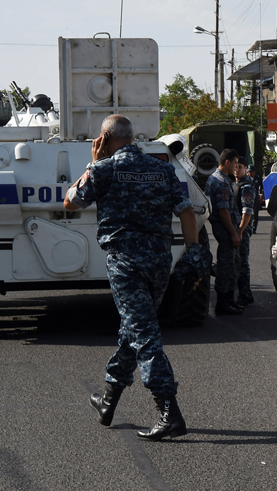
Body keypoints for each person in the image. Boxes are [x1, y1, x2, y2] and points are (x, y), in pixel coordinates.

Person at [63, 114, 201, 442]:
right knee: (135, 329)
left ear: (106, 140)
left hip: (125, 263)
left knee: (145, 335)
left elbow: (69, 202)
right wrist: (193, 254)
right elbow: (186, 212)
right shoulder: (163, 169)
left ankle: (169, 412)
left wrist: (92, 163)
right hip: (158, 262)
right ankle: (108, 400)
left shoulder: (103, 169)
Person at [205, 148, 243, 315]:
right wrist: (234, 233)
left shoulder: (216, 178)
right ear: (227, 162)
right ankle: (222, 303)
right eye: (235, 163)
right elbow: (223, 211)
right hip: (226, 228)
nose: (236, 167)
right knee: (226, 266)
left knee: (233, 263)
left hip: (226, 227)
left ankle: (229, 299)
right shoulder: (220, 182)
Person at [233, 162, 256, 306]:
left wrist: (240, 231)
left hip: (242, 228)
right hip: (234, 228)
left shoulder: (246, 186)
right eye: (235, 166)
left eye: (240, 166)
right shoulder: (234, 184)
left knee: (242, 262)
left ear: (245, 169)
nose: (236, 169)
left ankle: (245, 293)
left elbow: (247, 211)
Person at [247, 164, 261, 233]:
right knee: (248, 212)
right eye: (248, 172)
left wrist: (262, 197)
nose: (249, 173)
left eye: (251, 171)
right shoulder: (246, 178)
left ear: (254, 171)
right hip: (248, 197)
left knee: (255, 213)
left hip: (256, 197)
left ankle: (254, 228)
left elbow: (262, 188)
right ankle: (248, 227)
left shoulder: (258, 178)